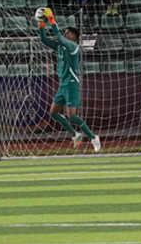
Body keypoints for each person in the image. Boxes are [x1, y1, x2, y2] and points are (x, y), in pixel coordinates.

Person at [38, 8, 101, 151]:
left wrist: (52, 20)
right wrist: (41, 24)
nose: (66, 34)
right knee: (53, 113)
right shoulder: (61, 47)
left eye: (69, 33)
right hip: (63, 85)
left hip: (72, 85)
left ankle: (93, 137)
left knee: (72, 116)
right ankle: (75, 135)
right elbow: (44, 40)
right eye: (65, 32)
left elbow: (59, 37)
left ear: (74, 38)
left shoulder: (74, 47)